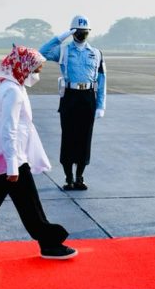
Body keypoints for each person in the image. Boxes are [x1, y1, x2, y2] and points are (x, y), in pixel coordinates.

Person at [0, 45, 77, 260]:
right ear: (25, 67)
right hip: (11, 157)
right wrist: (12, 165)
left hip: (11, 156)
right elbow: (8, 129)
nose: (37, 74)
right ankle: (48, 243)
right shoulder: (12, 91)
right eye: (36, 70)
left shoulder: (13, 87)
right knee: (28, 203)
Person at [40, 15, 106, 191]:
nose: (81, 35)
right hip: (70, 96)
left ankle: (79, 177)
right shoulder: (63, 50)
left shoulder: (96, 53)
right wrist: (60, 37)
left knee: (85, 138)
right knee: (69, 137)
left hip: (88, 97)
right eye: (78, 32)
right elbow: (41, 53)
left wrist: (101, 105)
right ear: (72, 32)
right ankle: (68, 177)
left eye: (85, 32)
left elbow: (102, 80)